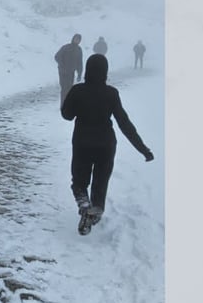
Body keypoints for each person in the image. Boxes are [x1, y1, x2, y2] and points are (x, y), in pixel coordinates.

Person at [60, 54, 154, 235]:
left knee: (79, 182)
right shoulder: (111, 93)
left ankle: (84, 205)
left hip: (82, 143)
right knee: (100, 183)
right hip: (106, 145)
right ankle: (93, 212)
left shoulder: (78, 90)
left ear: (87, 69)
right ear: (105, 71)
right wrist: (143, 149)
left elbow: (67, 115)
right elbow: (124, 123)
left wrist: (69, 99)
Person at [54, 33, 83, 105]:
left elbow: (80, 62)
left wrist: (79, 74)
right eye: (76, 39)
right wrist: (62, 65)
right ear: (73, 39)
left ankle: (68, 105)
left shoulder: (79, 50)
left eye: (78, 39)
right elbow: (57, 56)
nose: (77, 40)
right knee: (64, 89)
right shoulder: (66, 47)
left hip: (71, 72)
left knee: (70, 89)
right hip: (63, 72)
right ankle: (63, 105)